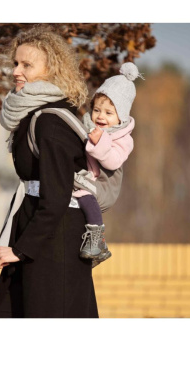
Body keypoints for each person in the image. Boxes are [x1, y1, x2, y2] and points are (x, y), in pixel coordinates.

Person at [0, 25, 99, 318]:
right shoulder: (32, 116)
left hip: (54, 248)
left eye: (27, 65)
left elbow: (56, 198)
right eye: (15, 63)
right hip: (36, 238)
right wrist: (13, 241)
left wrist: (21, 250)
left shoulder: (50, 123)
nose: (15, 71)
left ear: (51, 70)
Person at [72, 63, 139, 268]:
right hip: (91, 180)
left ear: (121, 117)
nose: (101, 116)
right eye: (97, 110)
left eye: (109, 113)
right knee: (77, 192)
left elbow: (113, 160)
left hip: (106, 187)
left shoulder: (124, 139)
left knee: (83, 192)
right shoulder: (89, 127)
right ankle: (88, 246)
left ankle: (97, 238)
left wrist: (99, 142)